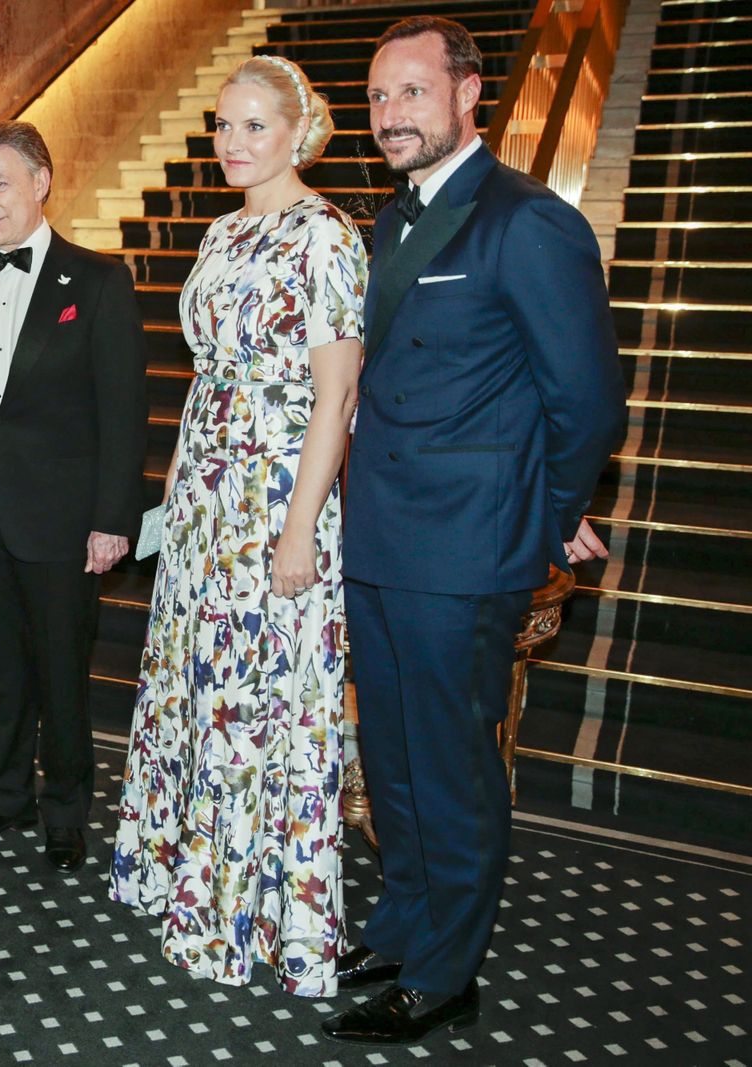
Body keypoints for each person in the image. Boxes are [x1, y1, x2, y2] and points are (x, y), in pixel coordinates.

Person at [322, 17, 626, 1045]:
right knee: (391, 754)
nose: (389, 116)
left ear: (468, 94)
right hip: (377, 541)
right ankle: (403, 923)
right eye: (375, 99)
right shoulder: (387, 221)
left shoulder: (526, 221)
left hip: (466, 550)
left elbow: (585, 400)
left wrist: (547, 518)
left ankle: (449, 969)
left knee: (452, 766)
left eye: (409, 93)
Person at [108, 57, 365, 993]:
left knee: (259, 700)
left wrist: (299, 532)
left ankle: (257, 908)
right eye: (223, 126)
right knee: (197, 684)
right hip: (208, 494)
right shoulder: (218, 232)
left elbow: (337, 398)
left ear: (299, 133)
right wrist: (175, 499)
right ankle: (192, 874)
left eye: (255, 126)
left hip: (277, 494)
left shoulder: (328, 238)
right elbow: (208, 378)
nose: (233, 143)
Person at [0, 122, 148, 871]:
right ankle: (2, 796)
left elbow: (123, 412)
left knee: (61, 670)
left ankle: (65, 811)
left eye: (0, 184)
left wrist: (113, 518)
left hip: (61, 519)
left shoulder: (98, 281)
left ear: (41, 181)